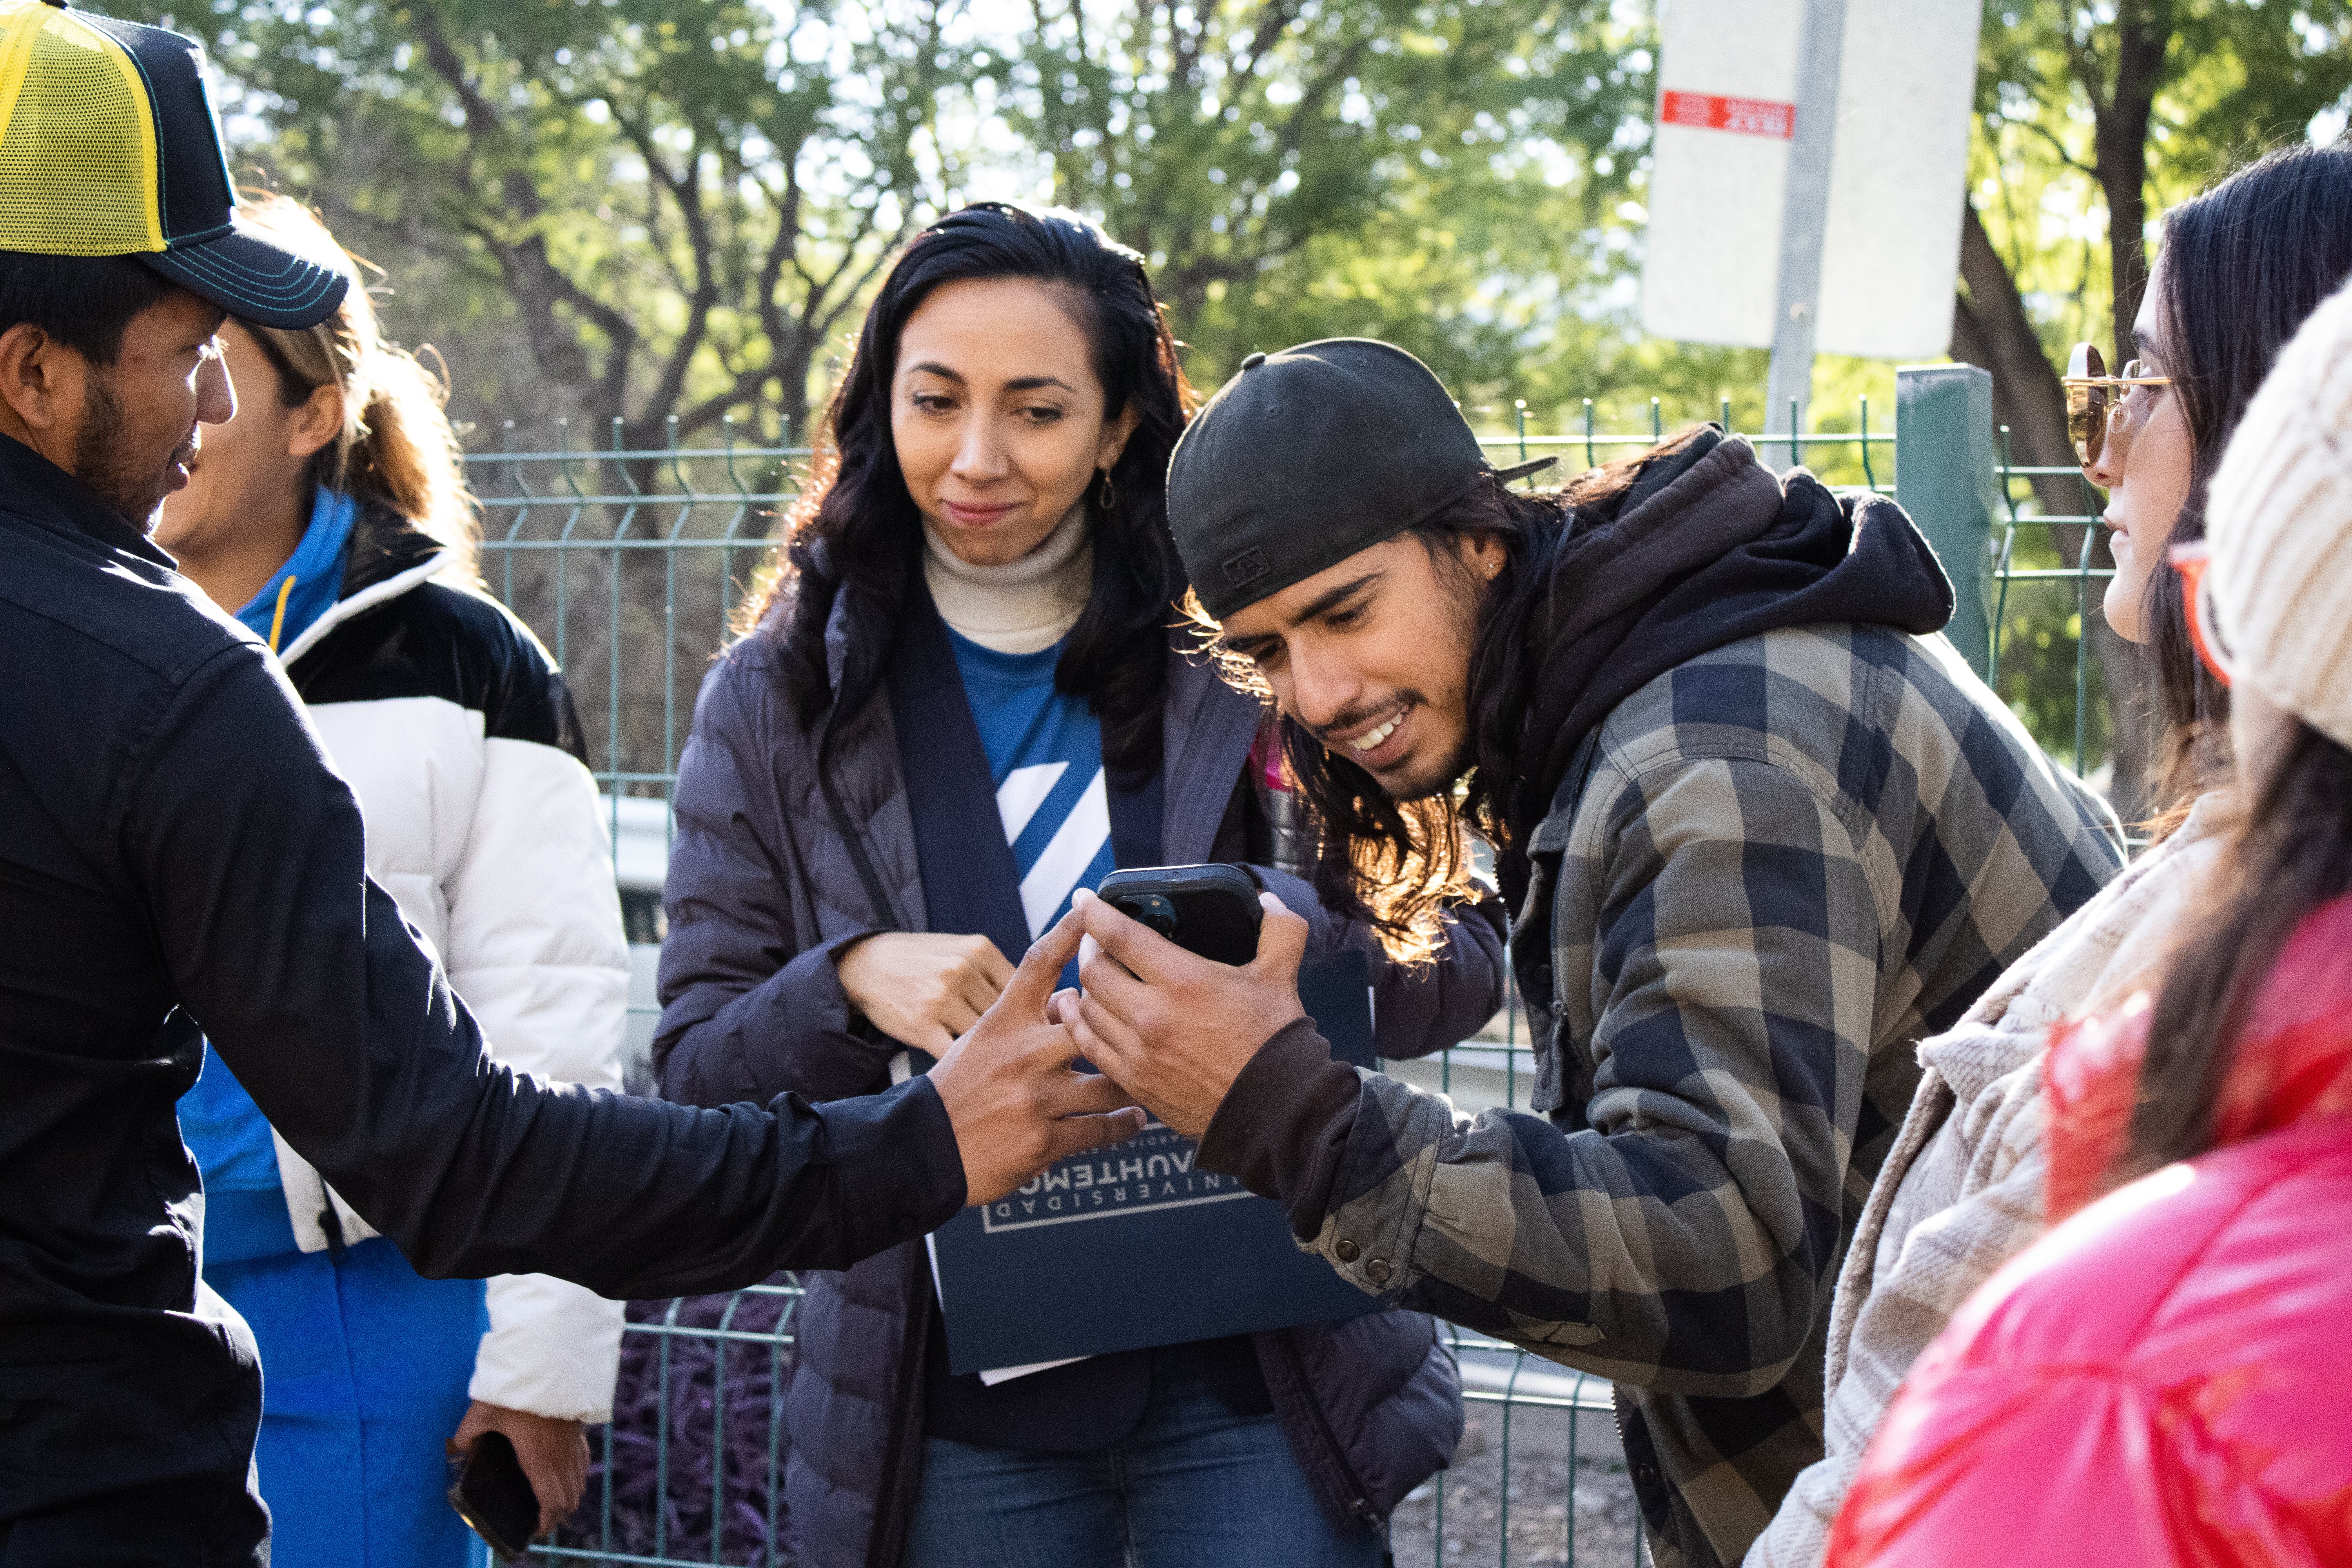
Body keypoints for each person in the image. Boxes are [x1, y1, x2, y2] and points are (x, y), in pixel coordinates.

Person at [0, 9, 1141, 1561]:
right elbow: (461, 1149)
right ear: (30, 372)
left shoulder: (438, 658)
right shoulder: (165, 684)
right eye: (186, 354)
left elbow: (539, 1001)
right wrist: (920, 1144)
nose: (209, 408)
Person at [1055, 338, 2127, 1568]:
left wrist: (1295, 1118)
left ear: (1478, 539)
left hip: (2006, 1505)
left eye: (1345, 609)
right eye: (1270, 651)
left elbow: (1724, 1264)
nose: (1322, 691)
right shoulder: (1648, 675)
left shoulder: (1712, 755)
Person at [654, 203, 1501, 1568]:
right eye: (935, 402)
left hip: (1261, 1386)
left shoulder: (1268, 643)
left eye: (1037, 411)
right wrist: (852, 984)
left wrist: (1295, 958)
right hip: (945, 1425)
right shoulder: (777, 691)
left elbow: (1458, 951)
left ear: (1118, 428)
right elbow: (695, 1073)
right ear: (882, 404)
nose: (976, 459)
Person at [1738, 139, 2352, 1568]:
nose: (2102, 450)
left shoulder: (2213, 971)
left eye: (2138, 388)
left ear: (2277, 454)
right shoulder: (2218, 897)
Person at [150, 194, 625, 1559]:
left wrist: (540, 1359)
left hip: (372, 1305)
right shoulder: (67, 631)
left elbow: (555, 1017)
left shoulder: (472, 665)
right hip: (92, 1279)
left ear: (316, 415)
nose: (172, 397)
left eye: (211, 368)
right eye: (154, 352)